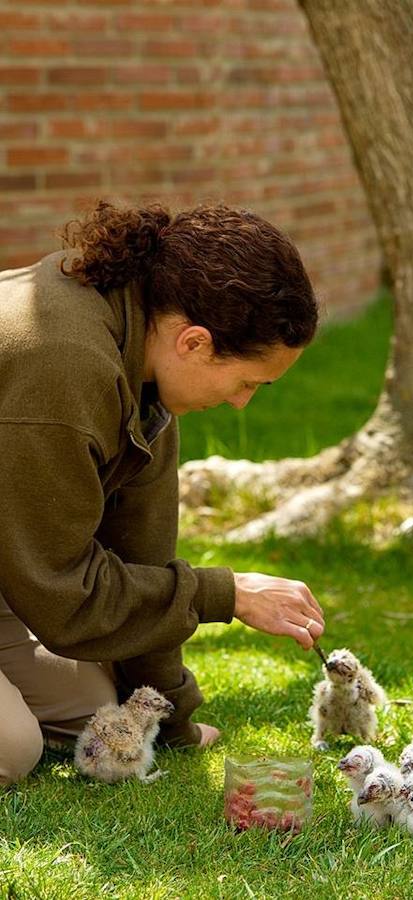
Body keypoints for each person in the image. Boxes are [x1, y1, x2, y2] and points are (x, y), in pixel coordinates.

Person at [0, 200, 325, 786]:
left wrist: (170, 721)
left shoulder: (144, 373)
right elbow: (65, 597)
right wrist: (226, 594)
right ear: (195, 342)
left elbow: (139, 560)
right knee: (13, 748)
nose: (242, 402)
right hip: (26, 577)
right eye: (248, 381)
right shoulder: (65, 367)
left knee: (101, 717)